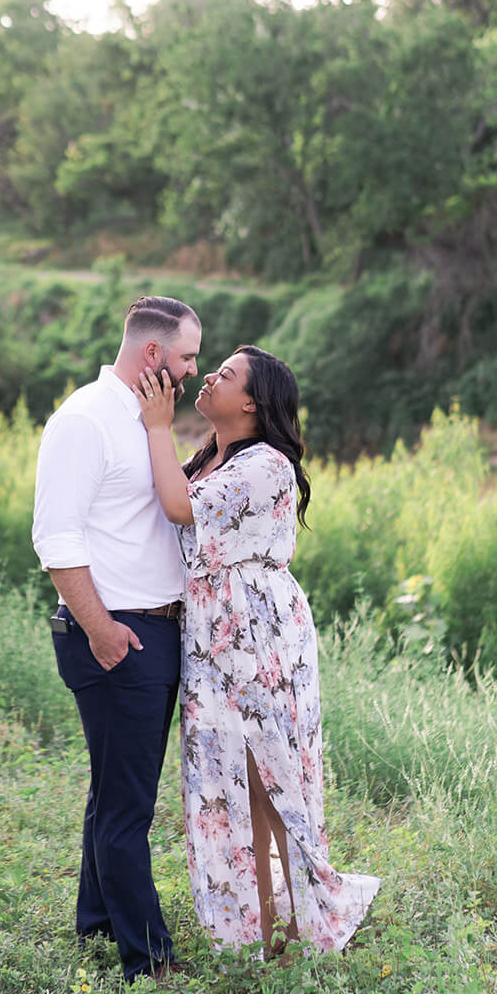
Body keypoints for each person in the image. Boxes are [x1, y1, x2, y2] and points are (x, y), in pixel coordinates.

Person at [133, 345, 380, 960]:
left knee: (268, 771)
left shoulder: (266, 464)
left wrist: (157, 427)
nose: (210, 375)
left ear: (250, 401)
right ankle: (260, 922)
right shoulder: (209, 457)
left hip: (257, 631)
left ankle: (289, 924)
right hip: (211, 634)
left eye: (227, 373)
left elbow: (180, 508)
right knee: (227, 774)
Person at [32, 295, 202, 983]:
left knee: (115, 794)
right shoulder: (85, 419)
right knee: (128, 807)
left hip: (151, 630)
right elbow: (56, 536)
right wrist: (101, 630)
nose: (195, 369)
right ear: (155, 354)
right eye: (189, 356)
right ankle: (147, 960)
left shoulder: (148, 421)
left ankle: (97, 926)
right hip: (117, 632)